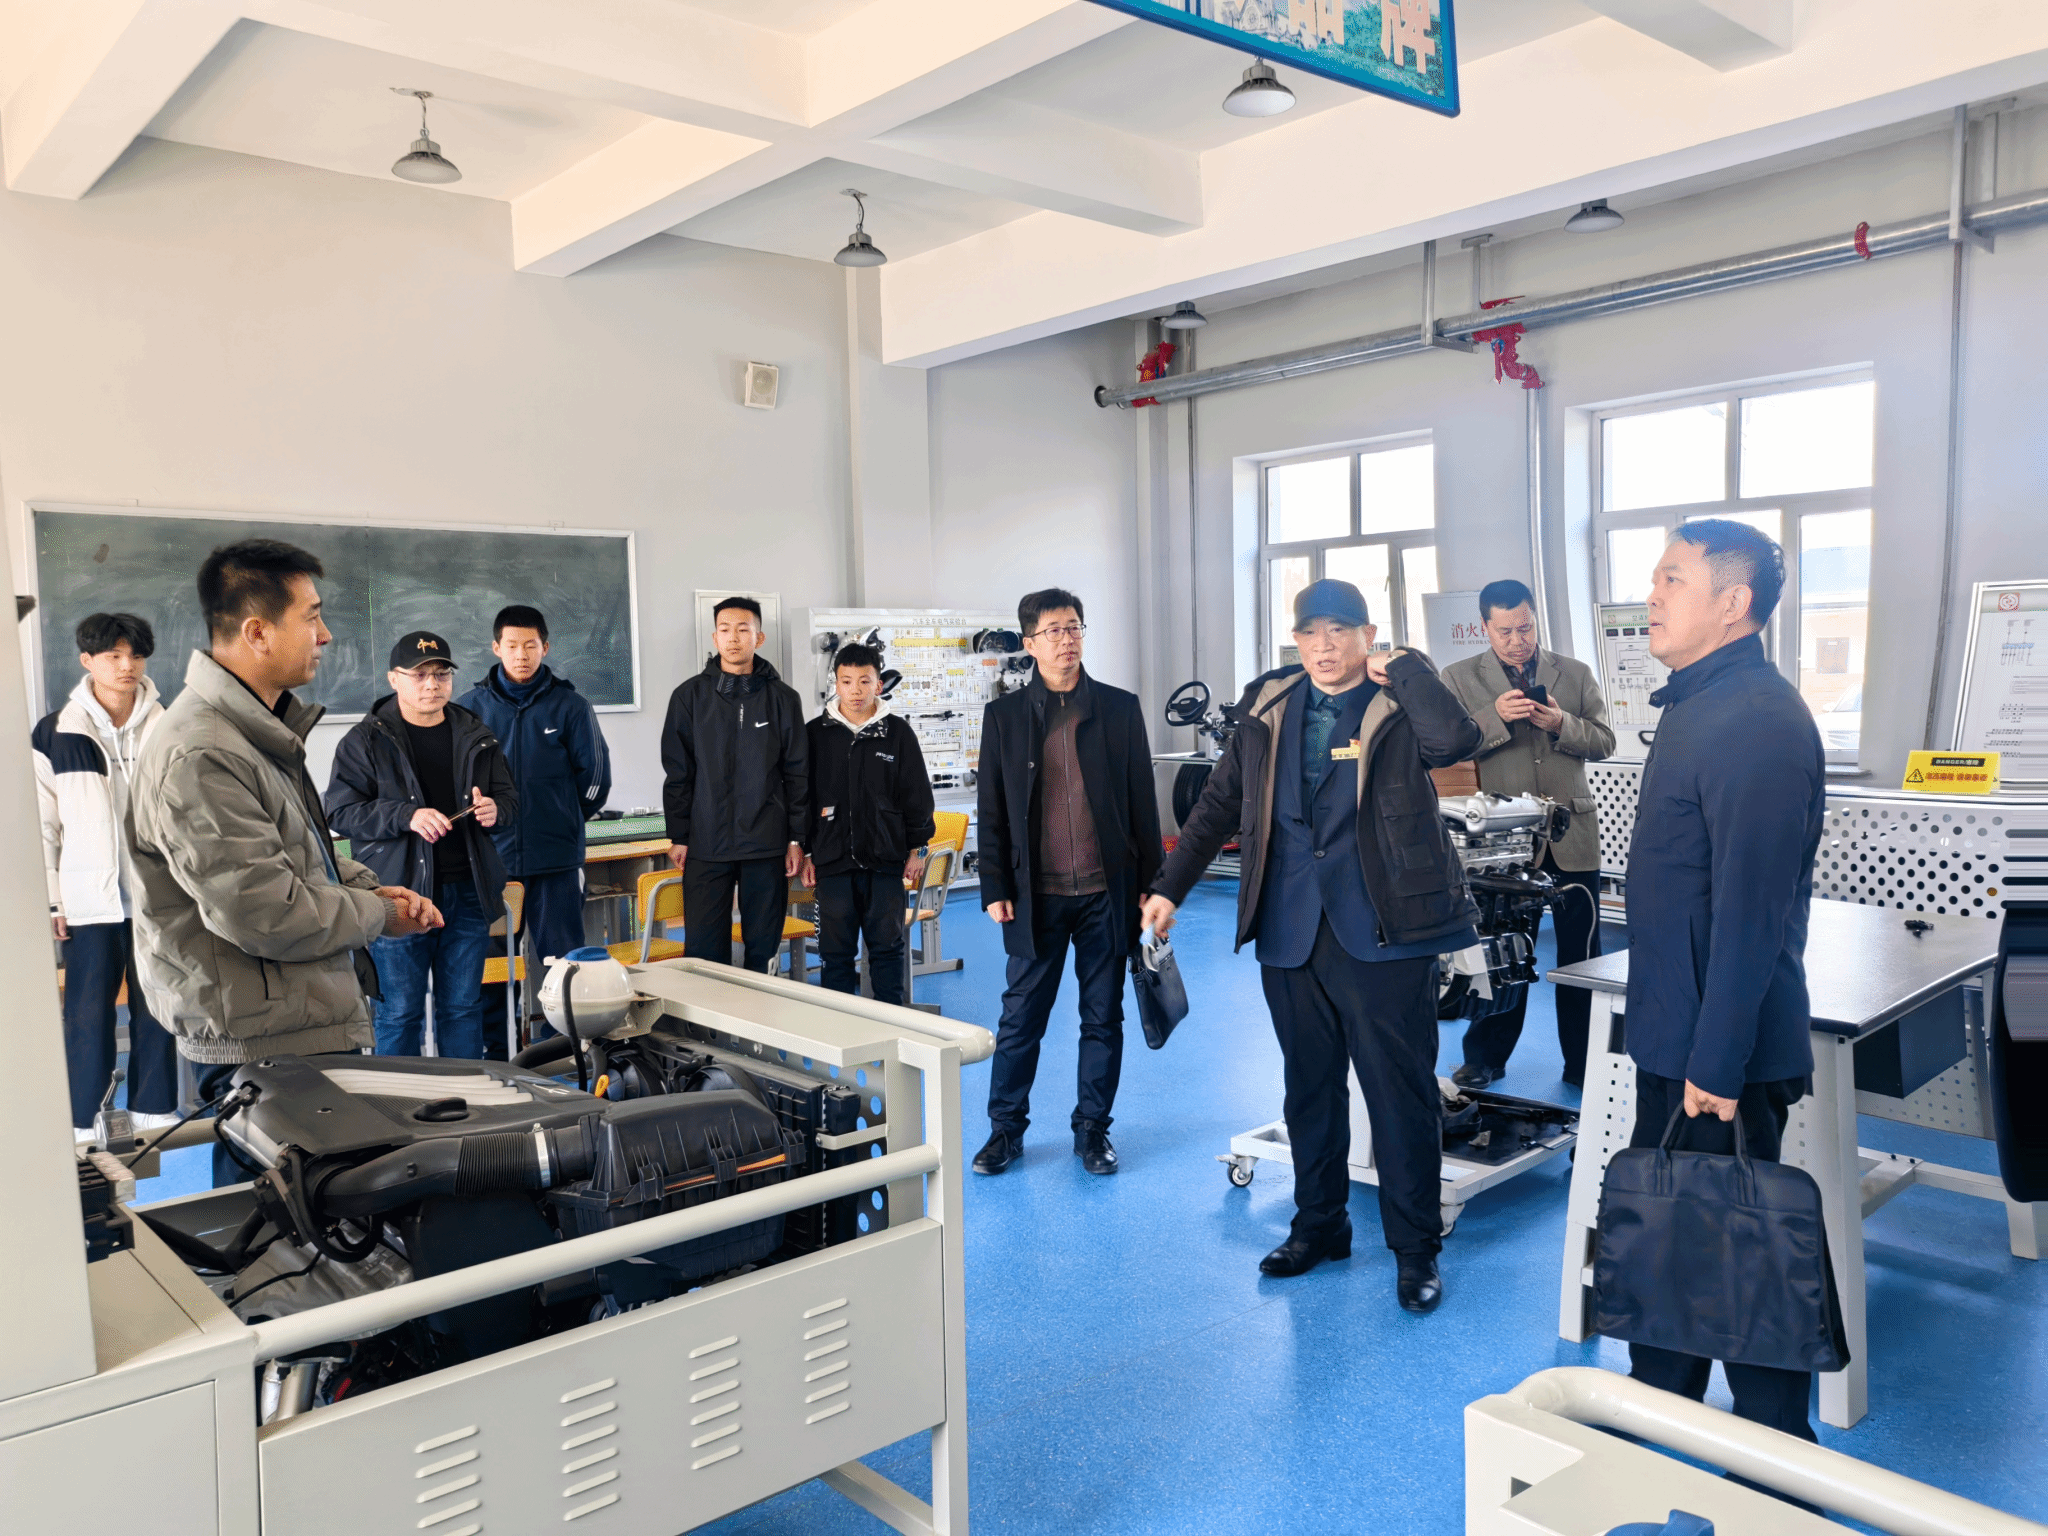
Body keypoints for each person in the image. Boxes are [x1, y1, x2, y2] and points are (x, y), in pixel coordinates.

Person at [1142, 579, 1481, 1310]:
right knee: (1309, 1088)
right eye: (1310, 634)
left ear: (1368, 636)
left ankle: (1416, 1249)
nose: (1324, 647)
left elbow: (1456, 743)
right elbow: (1219, 803)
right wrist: (1170, 886)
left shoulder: (1397, 699)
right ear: (1295, 640)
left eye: (1339, 632)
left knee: (1399, 1093)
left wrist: (1407, 667)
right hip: (1291, 927)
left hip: (1385, 929)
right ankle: (1320, 1224)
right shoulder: (1269, 703)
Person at [127, 539, 442, 1184]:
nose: (325, 636)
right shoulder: (204, 752)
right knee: (277, 1219)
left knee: (314, 1212)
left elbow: (301, 854)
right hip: (263, 1039)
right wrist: (375, 915)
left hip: (291, 1020)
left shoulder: (254, 733)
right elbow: (266, 912)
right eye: (312, 617)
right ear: (257, 631)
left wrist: (371, 890)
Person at [1621, 519, 1825, 1443]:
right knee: (1672, 1258)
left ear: (1733, 603)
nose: (1651, 596)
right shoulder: (1699, 702)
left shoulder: (1756, 724)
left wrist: (1715, 1066)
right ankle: (1659, 1432)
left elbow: (1752, 916)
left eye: (1672, 578)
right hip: (1679, 1033)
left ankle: (1779, 1465)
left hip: (1716, 1059)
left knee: (1741, 1271)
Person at [973, 588, 1162, 1178]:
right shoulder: (1005, 717)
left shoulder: (1119, 708)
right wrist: (994, 885)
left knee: (1102, 1017)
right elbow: (992, 807)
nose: (1067, 639)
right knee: (1020, 1018)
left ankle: (1093, 1130)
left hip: (1106, 893)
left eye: (1074, 627)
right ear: (1029, 644)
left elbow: (1142, 802)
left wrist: (1153, 885)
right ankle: (1005, 1131)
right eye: (1053, 630)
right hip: (1037, 896)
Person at [1439, 579, 1615, 1088]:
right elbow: (1447, 746)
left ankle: (1584, 1064)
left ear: (1536, 619)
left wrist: (1562, 723)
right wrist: (1493, 718)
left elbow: (1604, 741)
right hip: (1503, 841)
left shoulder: (1575, 672)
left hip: (1572, 834)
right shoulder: (1458, 678)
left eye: (1526, 627)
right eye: (1506, 631)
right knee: (1499, 952)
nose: (1518, 640)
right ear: (1484, 627)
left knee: (1583, 957)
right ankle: (1484, 1058)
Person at [325, 631, 519, 1059]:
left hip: (468, 892)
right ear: (394, 679)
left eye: (441, 674)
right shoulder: (365, 740)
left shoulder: (476, 733)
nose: (432, 684)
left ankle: (465, 1096)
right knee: (399, 1012)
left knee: (462, 1009)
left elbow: (509, 799)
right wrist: (405, 816)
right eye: (419, 675)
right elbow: (340, 812)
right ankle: (401, 1099)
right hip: (400, 896)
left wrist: (495, 810)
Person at [35, 612, 177, 1137]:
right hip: (88, 902)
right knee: (87, 1014)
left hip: (159, 898)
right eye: (113, 655)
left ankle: (154, 1110)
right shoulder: (56, 732)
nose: (126, 666)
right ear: (87, 660)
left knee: (159, 1008)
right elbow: (42, 827)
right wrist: (54, 899)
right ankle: (83, 1120)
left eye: (135, 655)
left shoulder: (173, 727)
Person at [458, 604, 611, 1035]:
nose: (521, 655)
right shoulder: (469, 709)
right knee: (492, 966)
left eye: (530, 645)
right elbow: (458, 782)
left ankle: (561, 1049)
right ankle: (496, 1048)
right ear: (496, 648)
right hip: (494, 862)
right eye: (511, 646)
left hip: (555, 861)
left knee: (563, 964)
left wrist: (563, 818)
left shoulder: (571, 706)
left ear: (545, 647)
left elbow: (596, 778)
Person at [660, 597, 808, 972]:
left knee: (763, 947)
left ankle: (761, 1011)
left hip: (766, 842)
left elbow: (798, 773)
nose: (733, 638)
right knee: (704, 952)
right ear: (715, 637)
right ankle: (708, 1014)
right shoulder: (689, 697)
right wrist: (679, 835)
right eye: (725, 630)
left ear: (759, 637)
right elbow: (678, 773)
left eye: (743, 629)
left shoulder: (783, 699)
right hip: (707, 842)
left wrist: (796, 838)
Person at [800, 643, 936, 1006]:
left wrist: (918, 848)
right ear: (836, 684)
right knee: (835, 955)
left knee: (888, 951)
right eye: (847, 681)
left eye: (864, 681)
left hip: (885, 862)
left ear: (878, 684)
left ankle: (893, 1025)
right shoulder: (814, 734)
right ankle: (840, 1029)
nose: (855, 690)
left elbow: (918, 796)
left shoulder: (898, 733)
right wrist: (807, 850)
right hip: (832, 862)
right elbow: (802, 798)